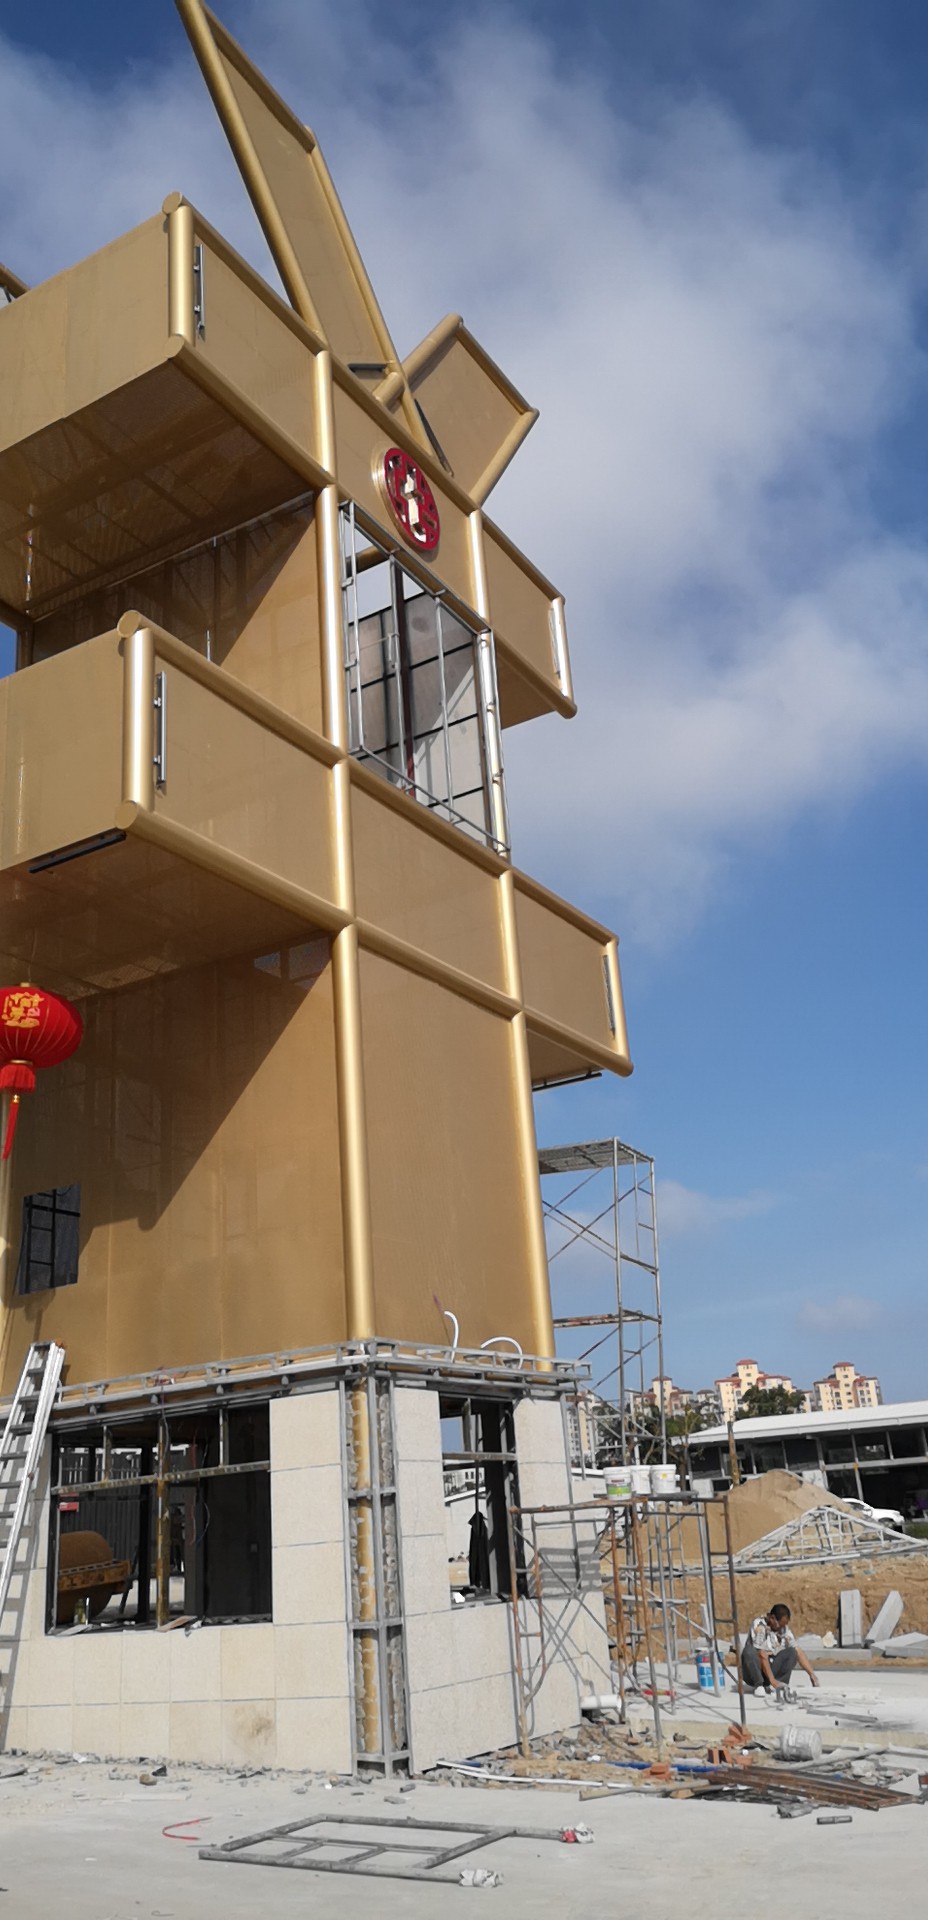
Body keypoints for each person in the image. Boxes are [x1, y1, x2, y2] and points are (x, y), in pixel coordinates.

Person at [741, 1603, 819, 1692]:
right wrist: (772, 1680)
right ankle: (759, 1685)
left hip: (770, 1667)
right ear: (772, 1618)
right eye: (780, 1625)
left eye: (783, 1625)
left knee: (792, 1652)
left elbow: (797, 1650)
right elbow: (761, 1654)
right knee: (749, 1651)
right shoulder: (759, 1625)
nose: (781, 1628)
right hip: (755, 1671)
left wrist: (812, 1675)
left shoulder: (783, 1629)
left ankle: (779, 1684)